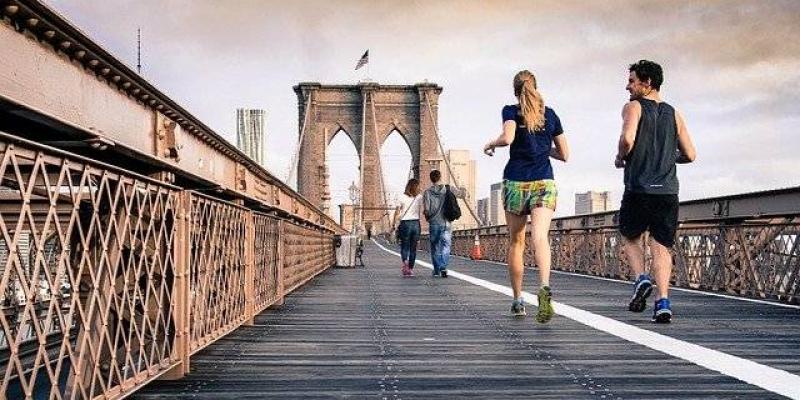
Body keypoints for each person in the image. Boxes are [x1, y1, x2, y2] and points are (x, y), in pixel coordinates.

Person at [483, 70, 569, 323]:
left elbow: (508, 137)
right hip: (543, 181)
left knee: (516, 242)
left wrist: (490, 144)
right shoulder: (550, 114)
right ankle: (544, 287)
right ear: (535, 86)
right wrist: (544, 149)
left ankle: (518, 300)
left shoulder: (510, 111)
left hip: (516, 182)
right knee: (540, 237)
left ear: (515, 90)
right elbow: (565, 154)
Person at [614, 60, 696, 323]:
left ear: (646, 83)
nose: (627, 86)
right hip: (668, 192)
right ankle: (663, 302)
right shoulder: (675, 114)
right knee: (661, 247)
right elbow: (691, 154)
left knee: (630, 236)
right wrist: (667, 158)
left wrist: (621, 157)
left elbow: (627, 139)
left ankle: (641, 279)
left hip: (639, 187)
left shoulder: (634, 107)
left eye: (632, 81)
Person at [423, 170, 452, 278]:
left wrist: (428, 218)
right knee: (446, 245)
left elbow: (426, 210)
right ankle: (443, 267)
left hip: (434, 223)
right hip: (446, 223)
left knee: (435, 247)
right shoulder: (447, 190)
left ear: (431, 179)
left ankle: (436, 270)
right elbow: (461, 194)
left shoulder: (427, 192)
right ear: (440, 177)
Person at [395, 178, 423, 277]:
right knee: (413, 248)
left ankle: (405, 262)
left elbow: (397, 211)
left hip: (405, 223)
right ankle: (410, 269)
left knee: (404, 246)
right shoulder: (419, 197)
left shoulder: (401, 197)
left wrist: (394, 224)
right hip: (415, 223)